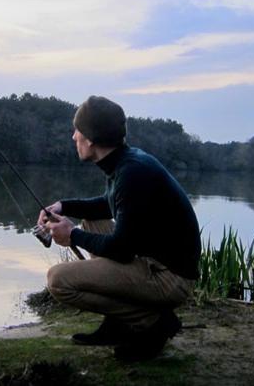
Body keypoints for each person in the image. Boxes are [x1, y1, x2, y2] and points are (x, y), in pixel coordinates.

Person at [37, 95, 201, 361]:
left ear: (90, 139)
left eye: (77, 130)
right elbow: (109, 205)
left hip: (169, 278)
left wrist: (72, 235)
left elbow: (122, 250)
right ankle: (118, 324)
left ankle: (150, 322)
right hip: (154, 261)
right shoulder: (126, 161)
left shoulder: (131, 173)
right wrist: (63, 207)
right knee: (92, 222)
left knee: (58, 280)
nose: (73, 137)